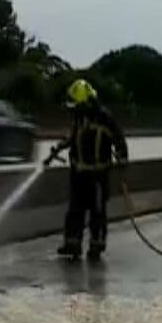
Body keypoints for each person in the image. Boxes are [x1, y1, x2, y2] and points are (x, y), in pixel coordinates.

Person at [49, 79, 128, 260]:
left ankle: (96, 245)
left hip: (98, 175)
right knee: (75, 210)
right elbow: (72, 136)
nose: (74, 110)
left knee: (97, 211)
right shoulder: (79, 118)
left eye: (77, 106)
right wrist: (59, 147)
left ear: (87, 102)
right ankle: (72, 243)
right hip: (78, 173)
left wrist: (122, 156)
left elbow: (119, 139)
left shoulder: (105, 118)